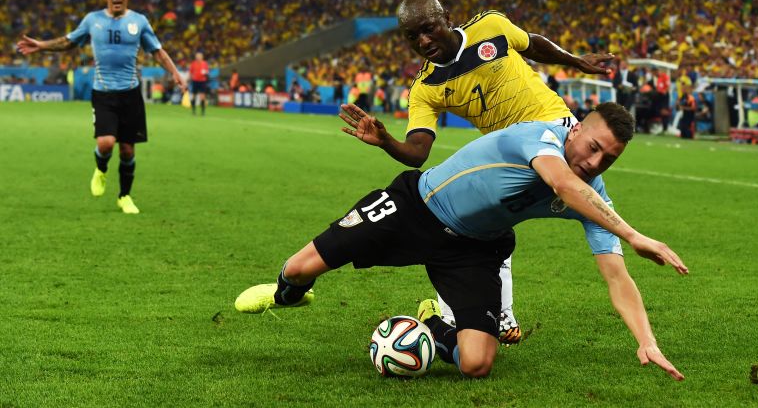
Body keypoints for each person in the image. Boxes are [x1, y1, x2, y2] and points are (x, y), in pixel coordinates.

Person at [235, 103, 688, 380]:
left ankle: (431, 326)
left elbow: (616, 274)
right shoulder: (540, 137)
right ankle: (286, 294)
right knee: (298, 268)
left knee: (477, 364)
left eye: (607, 159)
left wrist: (645, 339)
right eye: (593, 147)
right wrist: (630, 232)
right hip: (414, 208)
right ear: (575, 130)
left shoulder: (593, 196)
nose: (595, 162)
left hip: (473, 248)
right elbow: (562, 184)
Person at [339, 0, 615, 345]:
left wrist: (576, 61)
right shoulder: (425, 88)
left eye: (428, 29)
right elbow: (418, 151)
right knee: (485, 220)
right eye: (412, 37)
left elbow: (531, 44)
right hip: (510, 153)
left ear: (446, 18)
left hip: (557, 129)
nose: (423, 41)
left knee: (566, 210)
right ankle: (481, 313)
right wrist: (387, 141)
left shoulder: (490, 26)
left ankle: (465, 313)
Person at [16, 0, 186, 214]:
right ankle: (101, 169)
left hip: (131, 94)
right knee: (106, 144)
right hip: (104, 93)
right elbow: (69, 42)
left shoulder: (139, 21)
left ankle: (125, 196)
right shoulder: (92, 20)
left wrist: (175, 73)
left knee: (127, 150)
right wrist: (42, 45)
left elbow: (156, 51)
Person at [189, 52, 209, 116]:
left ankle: (203, 112)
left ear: (202, 57)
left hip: (202, 81)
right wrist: (189, 79)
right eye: (197, 56)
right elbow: (191, 72)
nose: (198, 57)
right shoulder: (193, 63)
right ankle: (193, 111)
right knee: (194, 96)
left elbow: (207, 72)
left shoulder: (205, 63)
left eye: (199, 56)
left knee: (202, 97)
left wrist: (205, 73)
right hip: (195, 81)